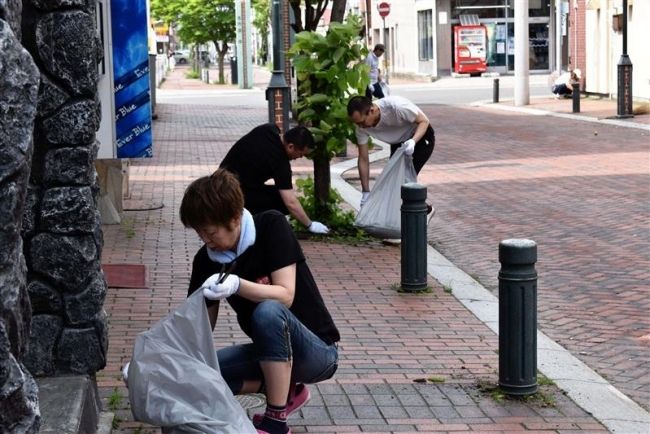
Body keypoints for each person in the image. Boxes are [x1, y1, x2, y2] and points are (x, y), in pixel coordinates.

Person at [180, 169, 340, 434]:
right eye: (200, 234)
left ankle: (276, 421)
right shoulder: (206, 260)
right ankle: (289, 390)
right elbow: (199, 329)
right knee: (203, 375)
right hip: (271, 355)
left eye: (210, 232)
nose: (206, 240)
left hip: (316, 352)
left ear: (233, 218)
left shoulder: (271, 226)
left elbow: (285, 295)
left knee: (268, 311)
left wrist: (238, 284)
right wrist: (159, 363)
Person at [220, 123, 329, 234]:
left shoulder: (268, 129)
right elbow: (290, 202)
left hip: (219, 182)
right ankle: (250, 224)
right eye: (300, 154)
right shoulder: (280, 163)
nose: (298, 158)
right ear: (290, 146)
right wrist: (310, 225)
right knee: (281, 201)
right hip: (233, 194)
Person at [347, 95, 434, 210]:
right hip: (398, 143)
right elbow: (363, 159)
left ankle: (421, 212)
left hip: (420, 137)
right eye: (357, 124)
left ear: (372, 111)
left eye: (362, 122)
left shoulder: (396, 107)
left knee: (403, 182)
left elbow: (424, 121)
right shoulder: (361, 128)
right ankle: (417, 212)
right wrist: (365, 192)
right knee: (392, 182)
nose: (361, 126)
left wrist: (413, 142)